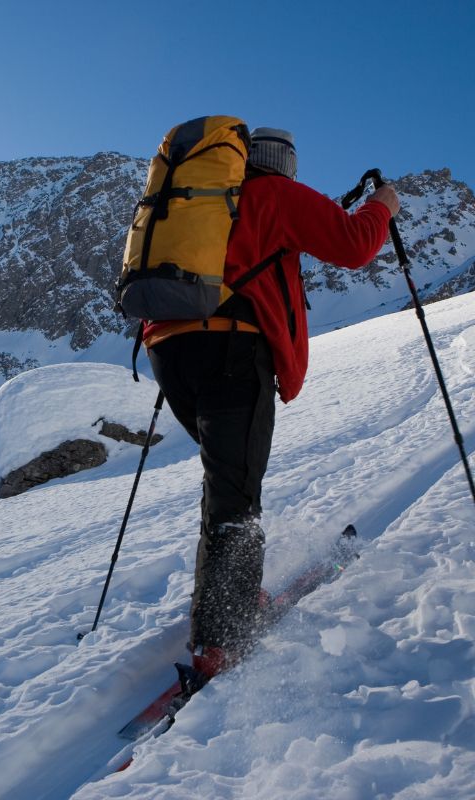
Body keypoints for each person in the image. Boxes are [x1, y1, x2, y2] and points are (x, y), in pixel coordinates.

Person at [142, 127, 399, 685]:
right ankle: (223, 634)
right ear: (281, 164)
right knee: (234, 493)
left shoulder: (199, 206)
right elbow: (355, 245)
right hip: (233, 350)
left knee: (226, 484)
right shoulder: (274, 194)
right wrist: (383, 205)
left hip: (169, 349)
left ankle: (229, 599)